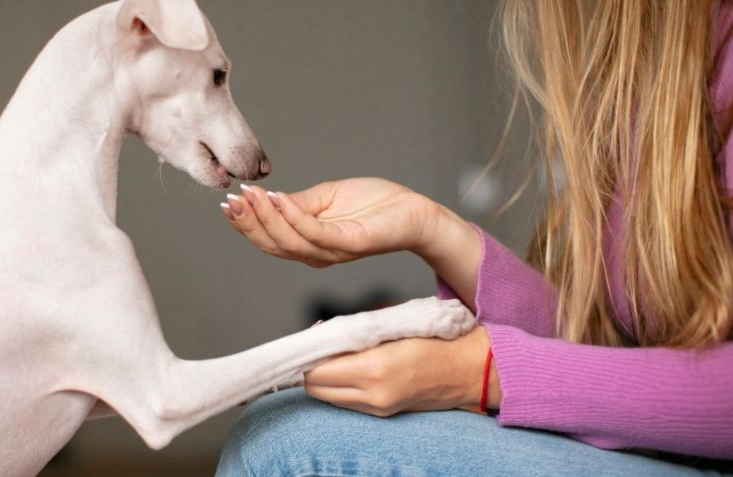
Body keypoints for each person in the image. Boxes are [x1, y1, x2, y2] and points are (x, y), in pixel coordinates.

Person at [215, 0, 733, 475]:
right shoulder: (646, 62)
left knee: (287, 445)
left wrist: (483, 372)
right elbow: (612, 353)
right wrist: (430, 227)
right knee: (276, 421)